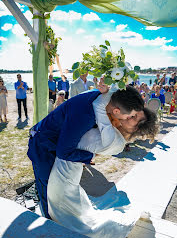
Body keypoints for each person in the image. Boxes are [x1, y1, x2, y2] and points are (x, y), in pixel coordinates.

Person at [28, 84, 158, 219]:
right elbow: (65, 150)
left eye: (134, 117)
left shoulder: (105, 103)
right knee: (46, 188)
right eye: (132, 115)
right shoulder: (92, 111)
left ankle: (53, 219)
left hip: (63, 150)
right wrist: (89, 157)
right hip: (45, 144)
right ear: (117, 110)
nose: (130, 116)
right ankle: (49, 223)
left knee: (56, 194)